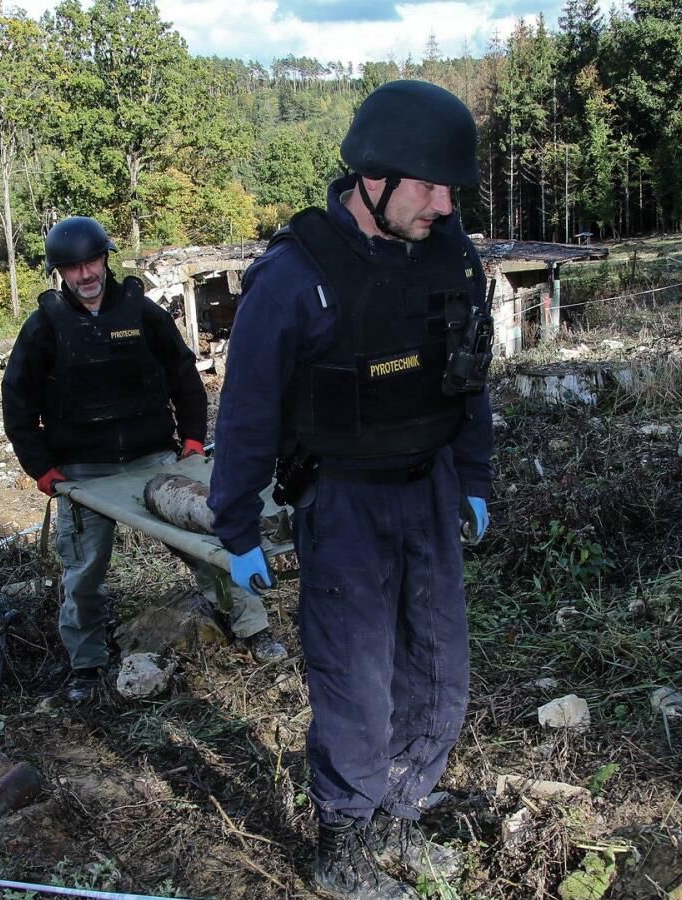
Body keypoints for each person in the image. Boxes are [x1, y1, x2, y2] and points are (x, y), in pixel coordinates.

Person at [206, 81, 493, 900]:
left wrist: (472, 475)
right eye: (430, 186)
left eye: (451, 189)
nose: (445, 204)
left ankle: (401, 813)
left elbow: (471, 374)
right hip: (343, 502)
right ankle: (343, 843)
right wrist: (236, 527)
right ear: (374, 176)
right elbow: (250, 407)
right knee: (355, 678)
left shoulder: (448, 252)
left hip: (431, 485)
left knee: (439, 662)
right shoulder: (297, 277)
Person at [2, 216, 288, 707]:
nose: (85, 274)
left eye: (91, 261)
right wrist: (43, 470)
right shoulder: (44, 327)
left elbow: (184, 376)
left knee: (209, 543)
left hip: (157, 459)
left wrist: (193, 440)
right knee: (84, 572)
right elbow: (17, 402)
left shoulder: (143, 312)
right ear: (60, 273)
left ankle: (253, 628)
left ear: (106, 259)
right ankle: (87, 666)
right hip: (84, 473)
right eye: (72, 267)